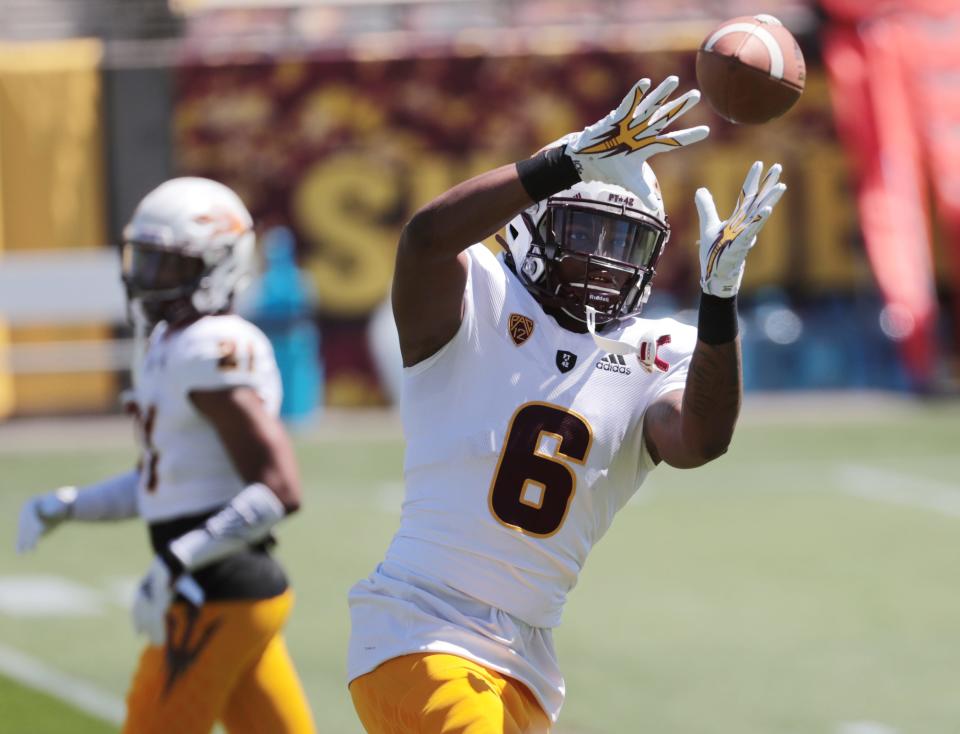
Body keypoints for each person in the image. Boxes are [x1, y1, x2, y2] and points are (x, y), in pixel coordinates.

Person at [346, 76, 786, 733]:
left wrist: (719, 301)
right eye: (589, 232)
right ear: (535, 223)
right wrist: (567, 162)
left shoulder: (653, 350)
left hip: (523, 657)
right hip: (419, 627)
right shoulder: (481, 298)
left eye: (625, 243)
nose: (607, 263)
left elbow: (700, 439)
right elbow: (424, 241)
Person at [16, 178, 317, 734]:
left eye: (170, 267)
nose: (149, 281)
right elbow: (165, 482)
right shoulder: (171, 346)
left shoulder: (213, 346)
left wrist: (177, 561)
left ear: (220, 265)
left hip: (216, 592)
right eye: (146, 262)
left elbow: (279, 489)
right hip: (225, 590)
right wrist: (69, 504)